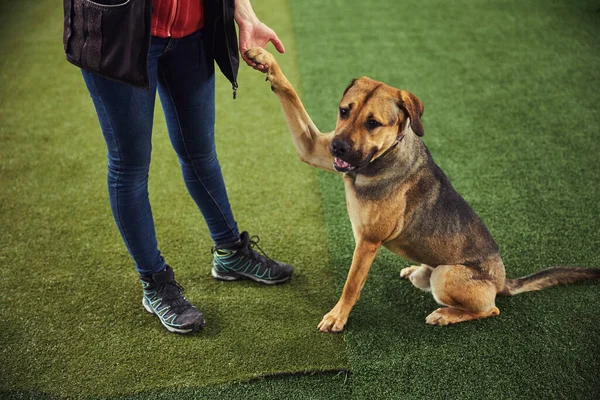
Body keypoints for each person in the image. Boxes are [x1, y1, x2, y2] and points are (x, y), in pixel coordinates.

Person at [62, 0, 292, 335]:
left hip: (192, 32)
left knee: (200, 153)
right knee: (130, 166)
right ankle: (155, 283)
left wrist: (244, 11)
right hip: (120, 35)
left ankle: (230, 252)